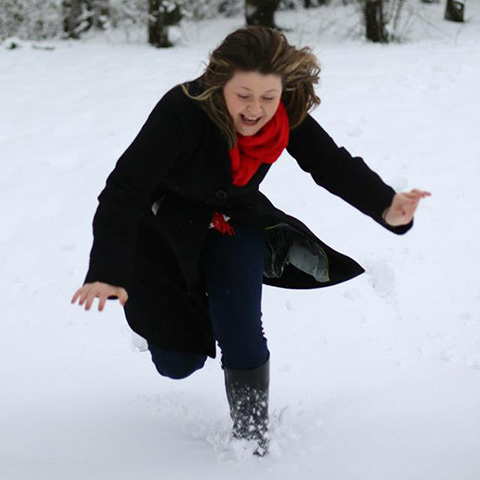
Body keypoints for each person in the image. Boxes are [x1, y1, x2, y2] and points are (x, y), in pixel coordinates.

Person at [71, 26, 430, 456]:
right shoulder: (181, 110)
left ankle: (252, 442)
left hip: (235, 222)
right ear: (219, 81)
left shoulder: (286, 112)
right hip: (166, 231)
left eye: (267, 97)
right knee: (177, 363)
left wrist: (386, 206)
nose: (256, 109)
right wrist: (107, 270)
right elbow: (124, 192)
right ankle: (180, 316)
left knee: (241, 329)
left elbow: (331, 164)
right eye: (243, 95)